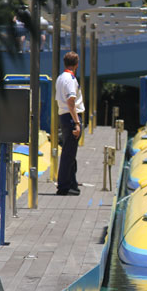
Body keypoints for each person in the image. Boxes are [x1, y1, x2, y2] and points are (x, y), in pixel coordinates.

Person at [56, 51, 84, 195]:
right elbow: (71, 101)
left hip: (64, 116)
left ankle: (72, 184)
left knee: (69, 152)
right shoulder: (70, 79)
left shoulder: (61, 78)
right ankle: (64, 186)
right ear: (76, 64)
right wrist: (77, 122)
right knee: (68, 153)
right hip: (70, 117)